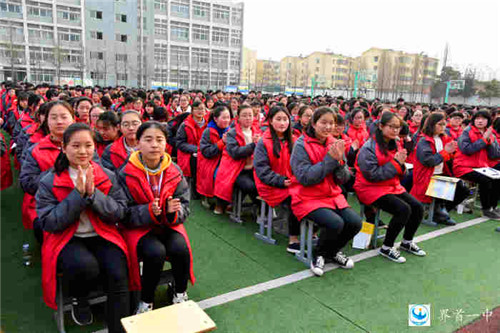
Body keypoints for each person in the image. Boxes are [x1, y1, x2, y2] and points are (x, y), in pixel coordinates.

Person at [36, 123, 133, 332]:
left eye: (88, 145)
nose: (82, 151)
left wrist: (93, 195)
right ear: (63, 147)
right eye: (75, 145)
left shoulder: (106, 174)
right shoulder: (49, 180)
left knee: (118, 271)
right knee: (85, 266)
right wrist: (77, 195)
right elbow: (49, 223)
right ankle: (80, 299)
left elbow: (119, 211)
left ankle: (118, 326)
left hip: (102, 233)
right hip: (67, 238)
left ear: (95, 147)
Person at [119, 122, 194, 314]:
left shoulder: (174, 170)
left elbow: (185, 206)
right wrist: (149, 211)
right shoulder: (125, 172)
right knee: (155, 252)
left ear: (166, 144)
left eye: (159, 140)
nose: (154, 145)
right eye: (148, 139)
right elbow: (122, 212)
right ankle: (146, 300)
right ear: (138, 143)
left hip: (168, 225)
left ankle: (179, 292)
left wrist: (171, 212)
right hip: (139, 227)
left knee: (181, 248)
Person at [290, 107, 362, 276]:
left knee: (355, 223)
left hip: (331, 195)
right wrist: (330, 159)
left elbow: (344, 179)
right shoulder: (301, 145)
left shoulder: (335, 143)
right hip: (307, 196)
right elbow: (305, 178)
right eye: (323, 122)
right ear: (313, 124)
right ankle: (319, 255)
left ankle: (332, 251)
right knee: (335, 223)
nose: (328, 127)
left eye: (331, 123)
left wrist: (340, 163)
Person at [354, 111, 426, 264]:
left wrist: (402, 166)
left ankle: (407, 242)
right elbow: (372, 175)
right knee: (403, 209)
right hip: (369, 188)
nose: (395, 130)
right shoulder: (368, 148)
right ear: (381, 126)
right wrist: (396, 164)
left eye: (397, 127)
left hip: (391, 185)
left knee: (418, 207)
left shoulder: (396, 143)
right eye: (391, 127)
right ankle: (387, 247)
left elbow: (399, 169)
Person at [19, 101, 75, 240]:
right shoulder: (35, 150)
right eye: (54, 117)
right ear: (46, 121)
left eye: (64, 116)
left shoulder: (85, 147)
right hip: (45, 206)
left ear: (73, 119)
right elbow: (27, 184)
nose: (59, 121)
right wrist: (56, 169)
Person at [254, 106, 301, 253]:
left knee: (311, 195)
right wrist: (280, 181)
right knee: (296, 200)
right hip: (270, 185)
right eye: (278, 119)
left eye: (285, 119)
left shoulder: (294, 140)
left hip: (289, 182)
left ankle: (310, 232)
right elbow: (262, 170)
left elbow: (299, 164)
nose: (282, 123)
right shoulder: (264, 142)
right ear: (270, 121)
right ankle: (293, 239)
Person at [410, 113, 469, 225]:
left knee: (463, 190)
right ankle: (439, 212)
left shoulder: (443, 139)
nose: (443, 127)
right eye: (440, 124)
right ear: (432, 125)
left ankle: (442, 210)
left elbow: (448, 157)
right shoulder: (424, 141)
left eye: (444, 124)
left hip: (440, 174)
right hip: (427, 177)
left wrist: (452, 153)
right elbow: (429, 161)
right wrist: (445, 152)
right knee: (449, 188)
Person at [453, 110, 500, 220]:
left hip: (482, 167)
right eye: (477, 118)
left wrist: (489, 141)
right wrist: (484, 140)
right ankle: (486, 209)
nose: (480, 121)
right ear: (473, 120)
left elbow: (494, 154)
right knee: (486, 180)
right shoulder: (467, 132)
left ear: (488, 121)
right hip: (463, 167)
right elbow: (467, 150)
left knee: (497, 178)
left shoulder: (490, 133)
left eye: (483, 119)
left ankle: (493, 207)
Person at [214, 104, 261, 213]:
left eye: (250, 115)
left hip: (253, 168)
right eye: (244, 115)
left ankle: (262, 211)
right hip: (236, 169)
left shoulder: (257, 132)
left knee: (264, 185)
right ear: (238, 118)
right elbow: (235, 153)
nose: (248, 118)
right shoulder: (232, 133)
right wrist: (253, 145)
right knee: (251, 186)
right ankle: (257, 209)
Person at [197, 105, 231, 210]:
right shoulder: (208, 131)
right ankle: (220, 202)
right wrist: (222, 143)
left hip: (225, 161)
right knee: (219, 175)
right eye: (224, 117)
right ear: (215, 119)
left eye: (228, 117)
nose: (227, 120)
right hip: (210, 161)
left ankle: (228, 201)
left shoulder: (230, 130)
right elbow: (206, 152)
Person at [175, 100, 207, 197]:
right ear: (192, 111)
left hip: (203, 151)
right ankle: (193, 190)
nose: (200, 111)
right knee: (194, 160)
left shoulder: (208, 125)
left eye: (202, 109)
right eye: (196, 109)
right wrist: (196, 149)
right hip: (188, 153)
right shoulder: (185, 125)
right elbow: (180, 143)